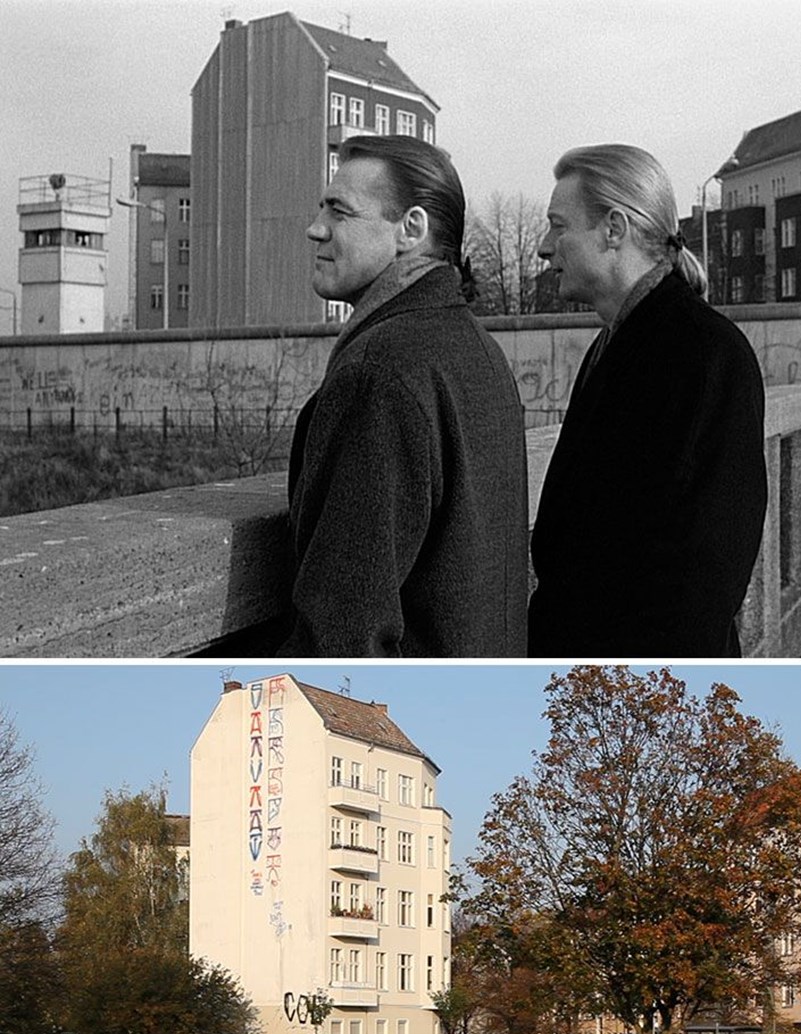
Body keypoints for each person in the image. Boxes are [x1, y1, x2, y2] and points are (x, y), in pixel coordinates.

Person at [279, 135, 528, 657]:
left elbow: (345, 634)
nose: (315, 227)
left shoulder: (382, 371)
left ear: (410, 230)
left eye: (339, 211)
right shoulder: (477, 349)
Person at [529, 144, 767, 657]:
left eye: (558, 226)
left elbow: (708, 577)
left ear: (613, 229)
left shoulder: (707, 353)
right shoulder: (618, 341)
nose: (545, 249)